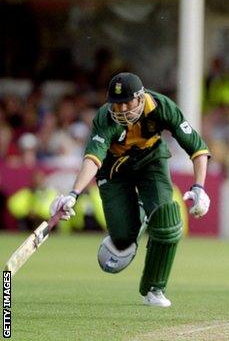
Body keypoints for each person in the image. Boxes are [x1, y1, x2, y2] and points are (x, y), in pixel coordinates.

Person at [49, 72, 211, 307]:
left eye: (128, 102)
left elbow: (197, 148)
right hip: (114, 170)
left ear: (141, 97)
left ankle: (154, 289)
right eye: (117, 103)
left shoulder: (161, 106)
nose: (123, 109)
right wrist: (73, 193)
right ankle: (141, 211)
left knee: (167, 220)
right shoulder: (105, 117)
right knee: (123, 241)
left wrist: (199, 187)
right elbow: (93, 158)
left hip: (151, 162)